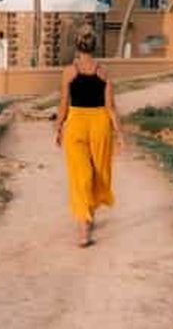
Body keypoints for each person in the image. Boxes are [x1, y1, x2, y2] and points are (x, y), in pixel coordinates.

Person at [55, 23, 123, 248]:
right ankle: (85, 226)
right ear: (95, 46)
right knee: (94, 174)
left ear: (77, 46)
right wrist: (120, 133)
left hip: (77, 124)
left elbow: (63, 104)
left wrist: (58, 127)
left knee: (82, 176)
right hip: (99, 124)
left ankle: (86, 217)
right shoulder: (103, 72)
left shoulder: (69, 71)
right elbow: (111, 107)